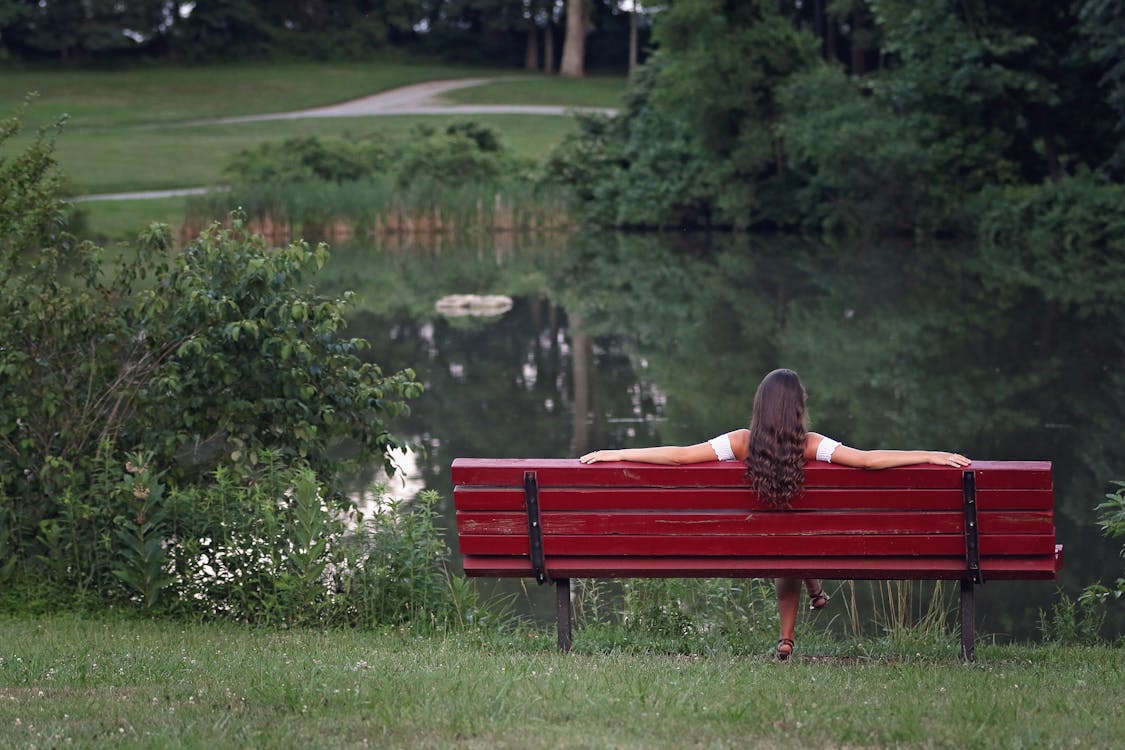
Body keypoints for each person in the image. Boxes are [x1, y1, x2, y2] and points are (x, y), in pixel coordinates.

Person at [579, 367, 971, 660]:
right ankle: (797, 617)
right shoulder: (811, 445)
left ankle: (794, 623)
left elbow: (679, 456)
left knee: (785, 542)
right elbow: (867, 462)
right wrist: (928, 455)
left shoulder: (741, 442)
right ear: (799, 408)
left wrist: (617, 452)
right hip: (801, 541)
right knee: (793, 542)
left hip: (753, 543)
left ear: (760, 406)